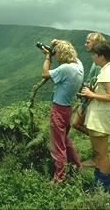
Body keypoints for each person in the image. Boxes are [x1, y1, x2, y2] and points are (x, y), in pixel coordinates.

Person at [77, 40, 110, 192]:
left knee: (101, 154)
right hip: (100, 118)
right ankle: (99, 183)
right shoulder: (107, 70)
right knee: (99, 153)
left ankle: (104, 186)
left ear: (101, 56)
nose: (92, 57)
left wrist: (90, 94)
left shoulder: (108, 73)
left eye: (94, 55)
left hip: (101, 119)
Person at [41, 39, 84, 183]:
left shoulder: (65, 69)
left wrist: (47, 56)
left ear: (62, 54)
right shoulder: (79, 65)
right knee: (65, 141)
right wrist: (59, 43)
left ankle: (59, 178)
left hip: (58, 110)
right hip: (68, 109)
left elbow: (45, 73)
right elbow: (71, 54)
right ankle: (78, 166)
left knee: (58, 146)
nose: (55, 55)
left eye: (56, 53)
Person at [72, 32, 106, 167]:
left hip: (90, 99)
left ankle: (99, 150)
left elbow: (98, 84)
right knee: (78, 124)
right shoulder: (95, 61)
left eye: (88, 42)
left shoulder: (98, 63)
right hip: (87, 97)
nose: (85, 44)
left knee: (77, 124)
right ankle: (99, 147)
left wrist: (88, 96)